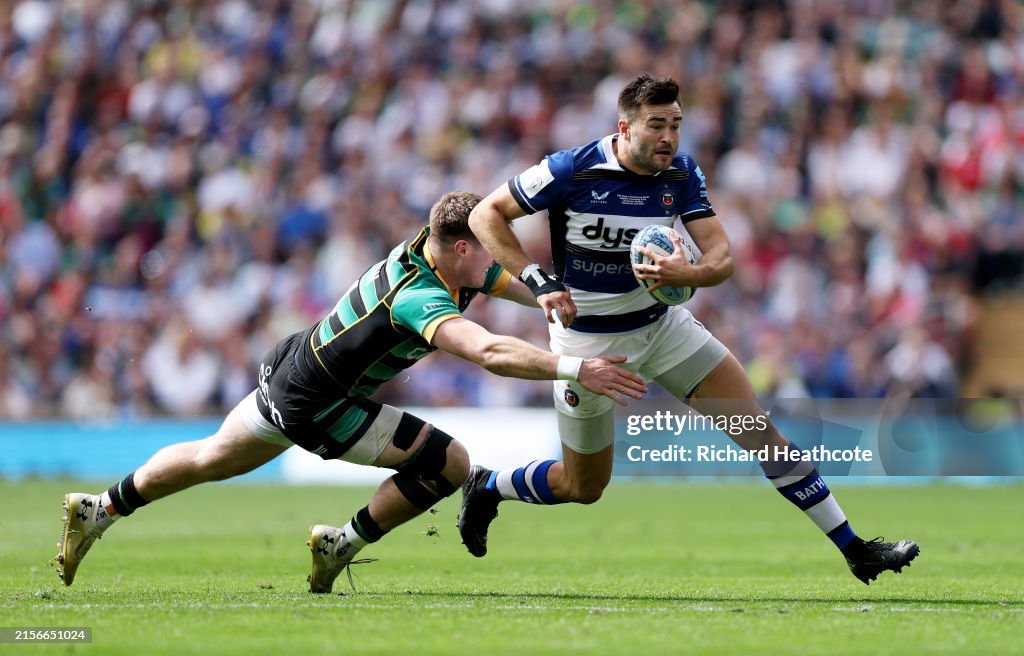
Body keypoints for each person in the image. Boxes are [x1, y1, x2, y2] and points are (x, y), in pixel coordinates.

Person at [54, 191, 647, 593]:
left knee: (212, 456)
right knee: (449, 463)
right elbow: (489, 352)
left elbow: (513, 285)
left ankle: (99, 508)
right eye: (489, 246)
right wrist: (575, 368)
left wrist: (556, 296)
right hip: (320, 401)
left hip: (293, 363)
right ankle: (342, 543)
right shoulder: (418, 296)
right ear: (464, 247)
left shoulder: (441, 251)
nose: (500, 259)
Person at [459, 74, 920, 585]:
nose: (669, 137)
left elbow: (721, 256)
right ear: (625, 128)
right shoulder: (571, 168)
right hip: (589, 345)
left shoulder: (681, 173)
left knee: (761, 434)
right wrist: (537, 280)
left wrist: (690, 274)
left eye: (676, 125)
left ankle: (856, 548)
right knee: (583, 486)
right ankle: (489, 486)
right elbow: (485, 215)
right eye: (656, 125)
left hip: (663, 329)